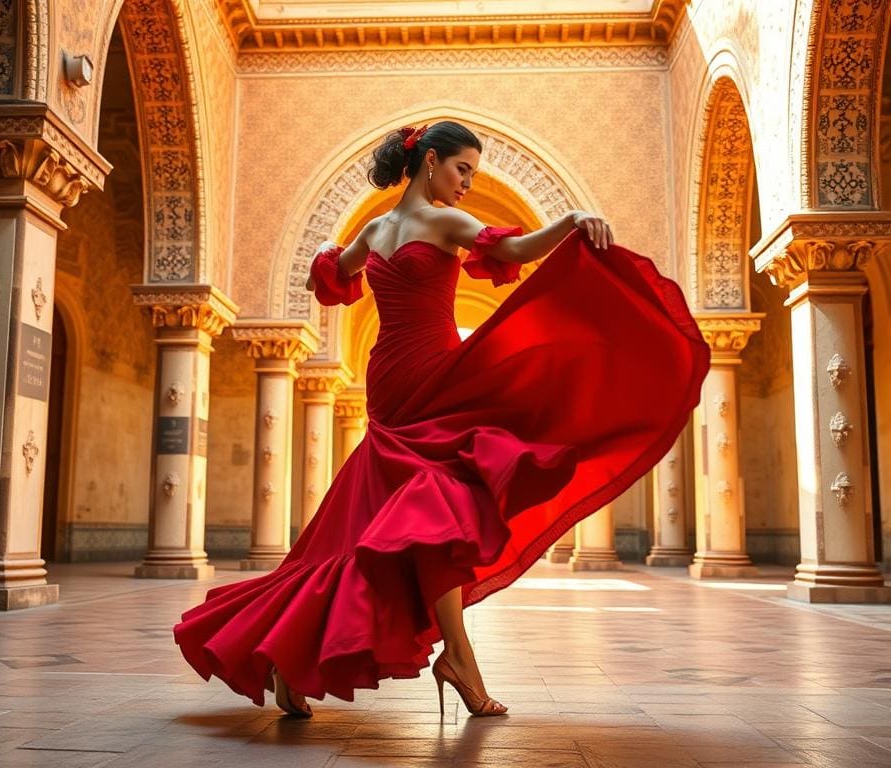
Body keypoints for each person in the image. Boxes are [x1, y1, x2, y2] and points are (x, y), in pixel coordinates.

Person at [173, 120, 710, 720]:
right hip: (424, 379)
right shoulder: (442, 222)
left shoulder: (374, 230)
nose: (467, 183)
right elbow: (509, 249)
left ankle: (302, 659)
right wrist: (570, 220)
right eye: (462, 170)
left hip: (398, 375)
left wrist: (335, 259)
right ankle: (445, 659)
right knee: (438, 512)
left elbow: (326, 278)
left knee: (411, 524)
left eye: (472, 173)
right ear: (430, 162)